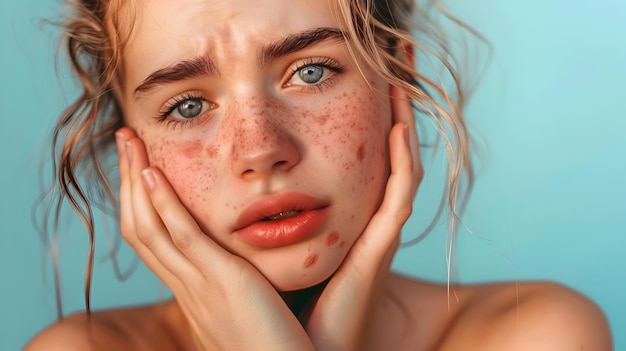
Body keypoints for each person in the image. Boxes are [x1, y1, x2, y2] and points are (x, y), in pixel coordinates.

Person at [26, 0, 612, 349]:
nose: (259, 150)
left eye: (310, 72)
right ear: (129, 143)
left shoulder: (535, 336)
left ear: (395, 84)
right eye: (187, 106)